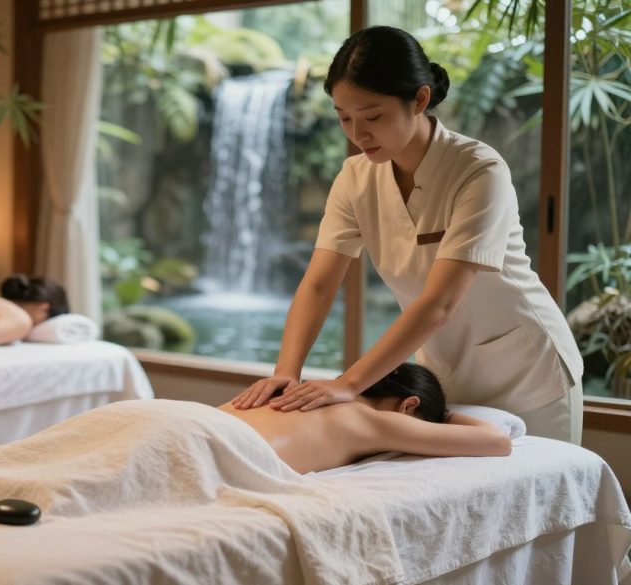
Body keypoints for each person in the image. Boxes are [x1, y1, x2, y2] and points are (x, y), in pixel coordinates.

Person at [232, 26, 583, 444]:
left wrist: (349, 383)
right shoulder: (355, 178)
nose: (358, 134)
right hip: (441, 371)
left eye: (373, 116)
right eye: (345, 118)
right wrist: (286, 374)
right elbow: (320, 284)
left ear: (419, 99)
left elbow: (439, 302)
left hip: (526, 375)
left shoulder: (478, 171)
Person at [222, 363, 510, 473]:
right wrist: (445, 416)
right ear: (408, 406)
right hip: (223, 452)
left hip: (191, 420)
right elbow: (498, 440)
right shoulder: (372, 420)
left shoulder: (300, 391)